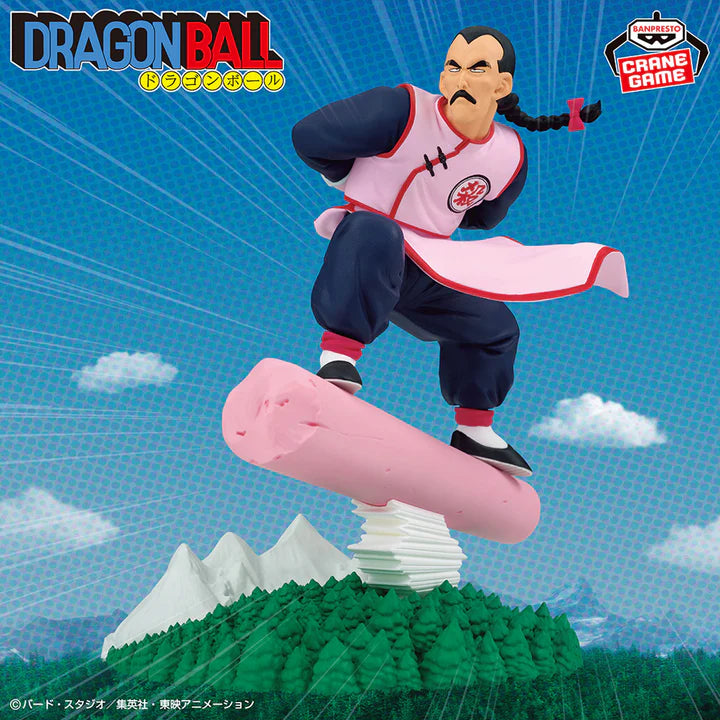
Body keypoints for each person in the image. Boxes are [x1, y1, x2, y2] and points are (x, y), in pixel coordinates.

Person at [292, 25, 604, 478]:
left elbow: (485, 216)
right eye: (453, 67)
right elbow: (311, 136)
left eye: (477, 68)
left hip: (428, 267)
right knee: (376, 231)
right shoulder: (402, 109)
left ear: (501, 85)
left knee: (495, 326)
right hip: (368, 250)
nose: (460, 78)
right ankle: (339, 357)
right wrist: (351, 175)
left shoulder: (509, 153)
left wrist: (437, 213)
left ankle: (474, 429)